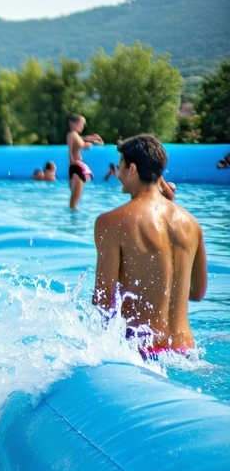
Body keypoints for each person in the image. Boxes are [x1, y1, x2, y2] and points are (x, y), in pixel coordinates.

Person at [92, 134, 207, 357]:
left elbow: (104, 301)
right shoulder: (191, 224)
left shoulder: (111, 222)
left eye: (120, 167)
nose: (118, 174)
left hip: (142, 350)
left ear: (132, 169)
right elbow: (197, 292)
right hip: (185, 350)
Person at [66, 114, 104, 209]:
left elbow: (87, 143)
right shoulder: (72, 135)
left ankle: (72, 220)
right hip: (76, 167)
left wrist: (96, 139)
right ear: (73, 124)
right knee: (74, 202)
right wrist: (72, 162)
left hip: (75, 167)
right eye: (81, 124)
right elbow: (70, 150)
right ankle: (72, 221)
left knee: (74, 201)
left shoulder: (76, 136)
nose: (82, 126)